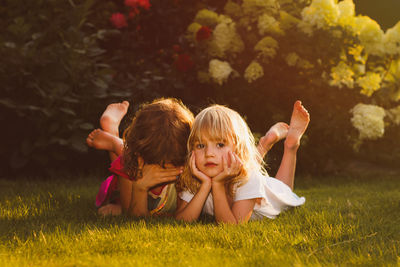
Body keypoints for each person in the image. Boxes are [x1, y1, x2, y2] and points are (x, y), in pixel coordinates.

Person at [175, 100, 309, 224]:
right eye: (200, 146)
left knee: (284, 190)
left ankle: (291, 146)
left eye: (220, 145)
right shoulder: (194, 178)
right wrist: (205, 185)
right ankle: (263, 145)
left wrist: (217, 184)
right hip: (243, 170)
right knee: (248, 166)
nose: (209, 153)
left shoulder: (249, 179)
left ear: (238, 149)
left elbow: (231, 226)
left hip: (272, 193)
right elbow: (182, 221)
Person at [86, 98, 194, 217]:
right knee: (122, 206)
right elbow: (134, 215)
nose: (163, 168)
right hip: (126, 177)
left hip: (133, 156)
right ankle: (113, 137)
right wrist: (140, 187)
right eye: (156, 163)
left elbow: (180, 214)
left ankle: (116, 142)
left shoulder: (186, 165)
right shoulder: (131, 164)